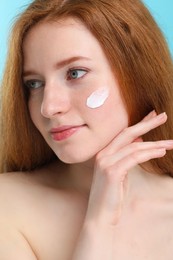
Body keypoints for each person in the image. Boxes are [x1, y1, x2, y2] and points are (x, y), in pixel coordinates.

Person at [0, 0, 173, 259]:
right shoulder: (8, 204)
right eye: (34, 84)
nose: (48, 107)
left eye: (75, 73)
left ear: (138, 75)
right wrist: (99, 223)